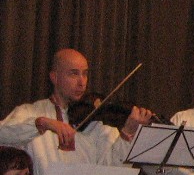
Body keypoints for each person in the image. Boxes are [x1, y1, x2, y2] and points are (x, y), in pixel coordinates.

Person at [0, 49, 150, 152]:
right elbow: (3, 135)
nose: (82, 82)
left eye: (85, 74)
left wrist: (127, 134)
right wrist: (43, 123)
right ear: (54, 77)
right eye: (74, 74)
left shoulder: (95, 121)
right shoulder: (30, 111)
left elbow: (110, 166)